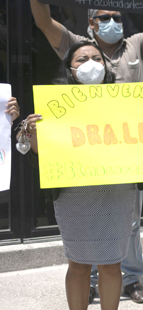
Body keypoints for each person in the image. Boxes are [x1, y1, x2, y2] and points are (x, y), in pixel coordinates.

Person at [24, 0, 143, 304]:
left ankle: (131, 278)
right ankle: (89, 279)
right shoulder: (79, 47)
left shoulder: (136, 44)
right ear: (91, 25)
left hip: (126, 160)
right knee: (80, 254)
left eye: (117, 16)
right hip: (81, 165)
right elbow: (43, 21)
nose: (114, 21)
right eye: (105, 17)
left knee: (130, 229)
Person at [22, 41, 135, 310]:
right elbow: (41, 153)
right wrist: (33, 130)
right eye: (82, 59)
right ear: (70, 69)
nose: (91, 64)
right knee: (79, 263)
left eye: (97, 58)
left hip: (116, 191)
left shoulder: (127, 100)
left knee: (112, 263)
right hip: (74, 193)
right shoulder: (55, 103)